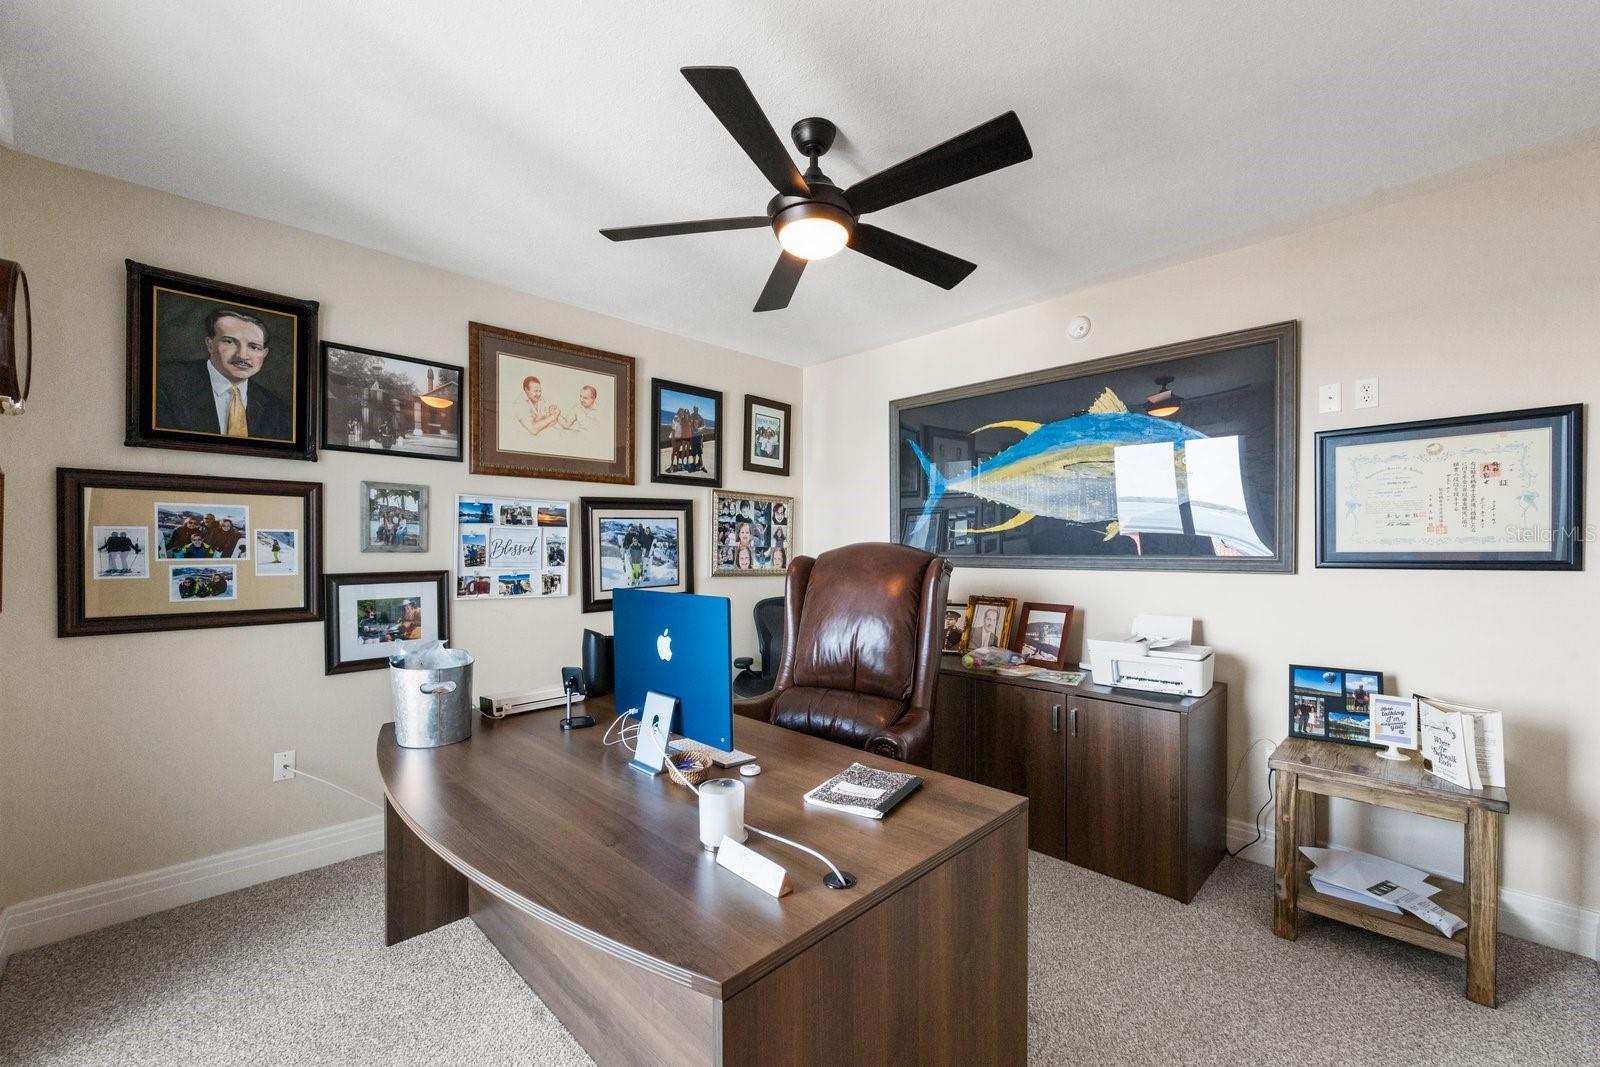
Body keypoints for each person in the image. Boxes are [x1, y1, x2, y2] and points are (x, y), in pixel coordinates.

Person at [154, 307, 292, 440]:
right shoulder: (164, 383)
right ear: (210, 344)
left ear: (264, 354)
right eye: (230, 342)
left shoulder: (276, 408)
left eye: (254, 347)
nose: (242, 355)